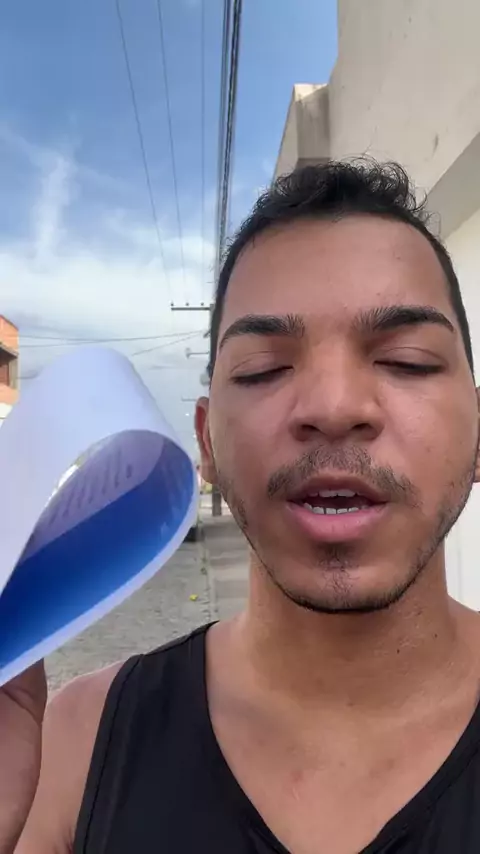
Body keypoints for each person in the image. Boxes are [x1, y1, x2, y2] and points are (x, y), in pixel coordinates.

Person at [3, 159, 480, 854]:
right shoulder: (69, 746)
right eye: (264, 369)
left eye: (407, 360)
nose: (333, 407)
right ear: (207, 444)